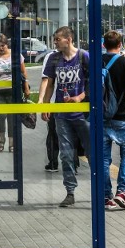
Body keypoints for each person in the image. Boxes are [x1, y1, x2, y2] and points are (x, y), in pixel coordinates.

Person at [40, 26, 90, 208]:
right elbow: (50, 83)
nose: (55, 42)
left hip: (83, 115)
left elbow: (93, 84)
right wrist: (46, 105)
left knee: (92, 153)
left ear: (68, 40)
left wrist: (80, 97)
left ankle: (104, 191)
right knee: (66, 155)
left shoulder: (84, 57)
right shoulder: (54, 59)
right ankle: (70, 192)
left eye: (57, 39)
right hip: (62, 116)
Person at [102, 30, 125, 211]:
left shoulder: (97, 61)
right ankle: (121, 192)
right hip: (122, 116)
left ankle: (106, 196)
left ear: (104, 45)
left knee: (103, 159)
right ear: (120, 44)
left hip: (101, 117)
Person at [0, 34, 30, 153]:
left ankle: (11, 142)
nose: (0, 48)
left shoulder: (15, 55)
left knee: (12, 117)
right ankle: (2, 138)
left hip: (13, 91)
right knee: (0, 115)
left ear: (7, 45)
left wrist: (26, 88)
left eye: (2, 46)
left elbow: (23, 72)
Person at [38, 48, 82, 173]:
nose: (55, 42)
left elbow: (45, 80)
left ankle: (53, 163)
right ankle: (73, 164)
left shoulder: (52, 57)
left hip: (57, 103)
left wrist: (42, 100)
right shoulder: (76, 55)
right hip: (68, 103)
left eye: (58, 39)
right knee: (70, 133)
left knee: (53, 133)